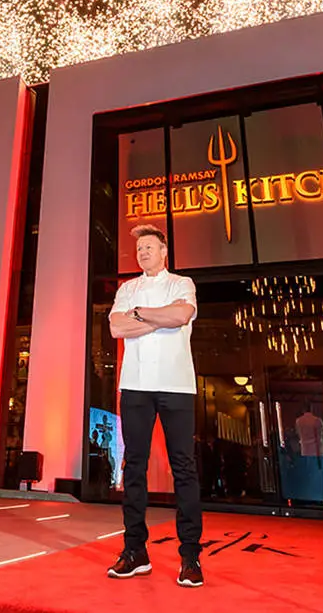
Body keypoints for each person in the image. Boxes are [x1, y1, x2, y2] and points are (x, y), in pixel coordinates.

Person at [106, 224, 204, 588]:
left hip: (177, 385)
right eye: (139, 248)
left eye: (149, 247)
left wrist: (139, 316)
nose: (143, 252)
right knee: (134, 467)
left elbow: (181, 316)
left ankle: (190, 556)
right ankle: (135, 553)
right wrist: (156, 318)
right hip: (134, 386)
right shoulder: (126, 288)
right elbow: (116, 328)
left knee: (184, 467)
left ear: (164, 252)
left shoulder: (182, 284)